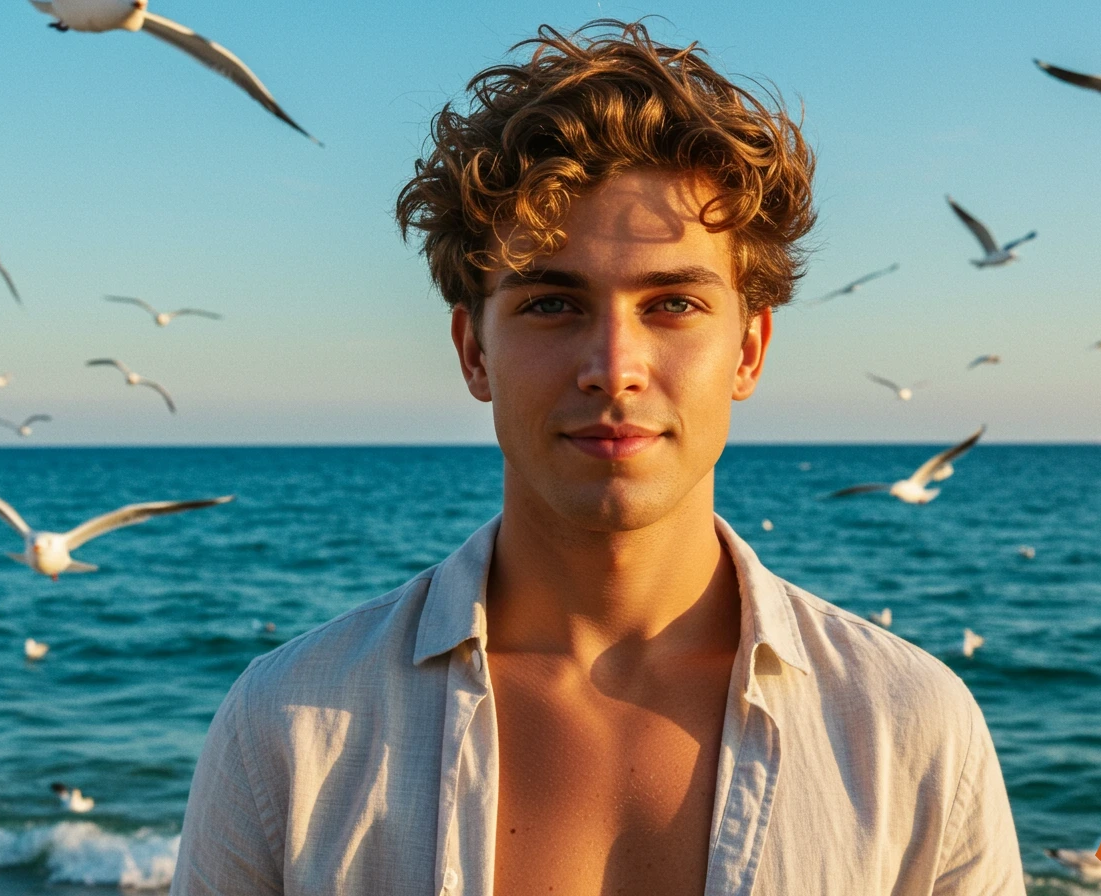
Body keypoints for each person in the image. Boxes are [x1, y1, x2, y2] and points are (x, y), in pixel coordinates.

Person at [172, 20, 1026, 895]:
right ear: (473, 351)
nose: (612, 367)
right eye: (550, 303)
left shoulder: (909, 732)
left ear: (749, 351)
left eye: (673, 304)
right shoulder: (288, 729)